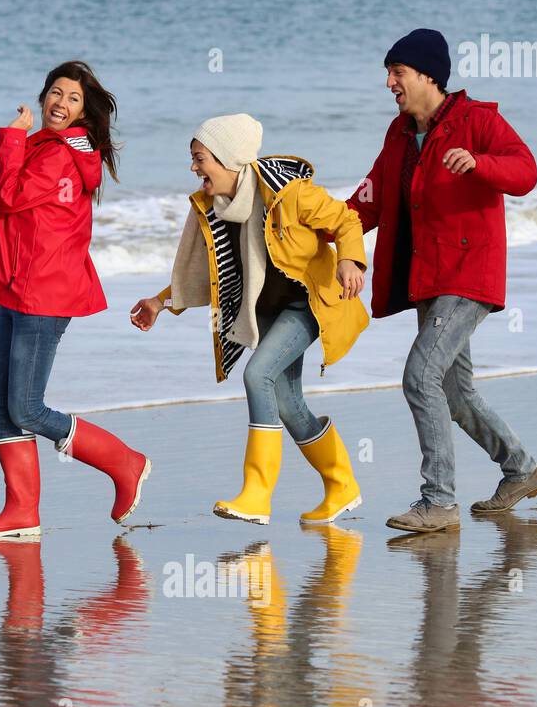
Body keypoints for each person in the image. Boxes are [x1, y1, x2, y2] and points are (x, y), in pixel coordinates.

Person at [345, 29, 537, 533]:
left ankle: (438, 502)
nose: (389, 82)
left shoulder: (478, 121)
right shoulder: (397, 134)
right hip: (427, 279)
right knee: (455, 393)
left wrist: (480, 164)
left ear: (428, 76)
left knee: (419, 376)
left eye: (399, 72)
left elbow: (525, 172)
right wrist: (324, 229)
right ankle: (521, 469)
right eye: (388, 73)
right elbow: (369, 201)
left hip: (469, 273)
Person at [131, 114, 368, 526]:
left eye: (199, 158)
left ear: (228, 159)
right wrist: (160, 301)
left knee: (257, 375)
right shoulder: (216, 209)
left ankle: (257, 494)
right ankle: (342, 484)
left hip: (310, 304)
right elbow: (207, 273)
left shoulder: (288, 194)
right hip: (271, 314)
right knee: (289, 405)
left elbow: (346, 219)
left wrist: (350, 259)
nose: (193, 168)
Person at [0, 60, 150, 540]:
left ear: (84, 113)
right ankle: (21, 511)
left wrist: (11, 135)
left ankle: (125, 462)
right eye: (56, 93)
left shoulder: (57, 153)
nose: (60, 103)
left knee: (24, 406)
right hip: (23, 286)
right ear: (44, 94)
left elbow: (7, 195)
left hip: (43, 293)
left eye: (73, 99)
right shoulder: (57, 148)